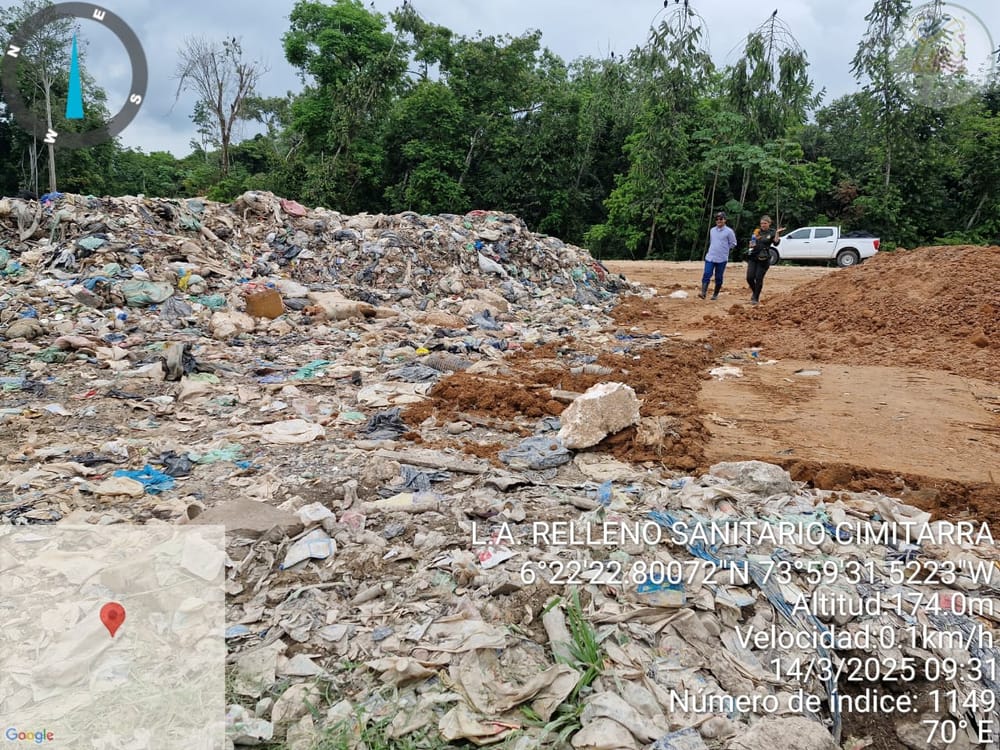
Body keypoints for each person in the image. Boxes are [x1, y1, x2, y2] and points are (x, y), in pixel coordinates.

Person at [745, 215, 785, 305]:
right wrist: (751, 245)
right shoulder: (757, 231)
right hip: (753, 256)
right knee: (749, 277)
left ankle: (756, 297)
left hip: (764, 258)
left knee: (758, 278)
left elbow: (776, 243)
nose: (763, 225)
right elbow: (752, 242)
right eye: (761, 223)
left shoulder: (772, 232)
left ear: (769, 223)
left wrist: (777, 233)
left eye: (765, 223)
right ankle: (755, 292)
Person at [699, 211, 737, 300]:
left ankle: (715, 294)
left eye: (721, 219)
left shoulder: (729, 231)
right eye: (717, 219)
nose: (719, 221)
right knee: (707, 273)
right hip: (711, 256)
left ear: (725, 220)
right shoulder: (712, 230)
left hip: (722, 258)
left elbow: (733, 243)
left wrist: (725, 248)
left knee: (718, 277)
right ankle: (703, 292)